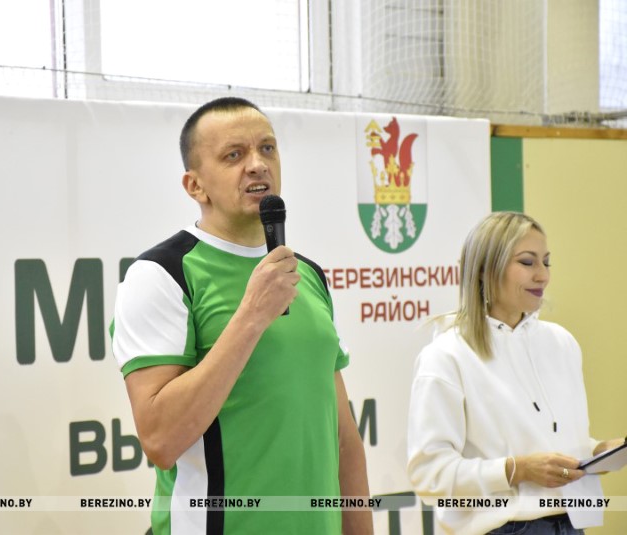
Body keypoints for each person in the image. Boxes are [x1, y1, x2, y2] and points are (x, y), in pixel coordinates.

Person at [111, 97, 373, 534]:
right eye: (234, 155)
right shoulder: (161, 274)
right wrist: (252, 315)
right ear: (195, 186)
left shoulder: (305, 274)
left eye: (267, 148)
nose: (257, 165)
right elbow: (160, 439)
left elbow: (344, 439)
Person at [407, 211, 624, 534]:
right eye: (527, 262)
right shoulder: (446, 356)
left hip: (570, 524)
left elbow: (551, 439)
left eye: (546, 262)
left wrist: (597, 453)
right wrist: (515, 470)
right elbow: (429, 475)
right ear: (484, 269)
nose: (543, 276)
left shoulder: (562, 343)